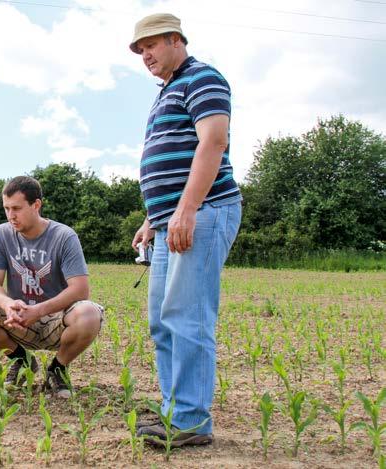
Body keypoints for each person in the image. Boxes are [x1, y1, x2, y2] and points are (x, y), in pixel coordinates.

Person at [128, 13, 242, 447]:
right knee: (162, 321)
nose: (146, 56)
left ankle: (191, 422)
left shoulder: (203, 77)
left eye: (152, 45)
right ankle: (174, 409)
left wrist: (187, 208)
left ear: (176, 40)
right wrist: (153, 219)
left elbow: (213, 142)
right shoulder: (165, 92)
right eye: (140, 51)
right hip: (171, 220)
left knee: (187, 317)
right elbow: (169, 161)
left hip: (206, 209)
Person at [0, 176, 104, 398]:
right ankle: (23, 361)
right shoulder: (1, 234)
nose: (10, 216)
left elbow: (80, 289)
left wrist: (39, 310)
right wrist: (8, 304)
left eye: (16, 208)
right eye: (6, 208)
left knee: (89, 313)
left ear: (36, 205)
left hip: (56, 320)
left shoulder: (64, 236)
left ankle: (58, 369)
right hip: (17, 319)